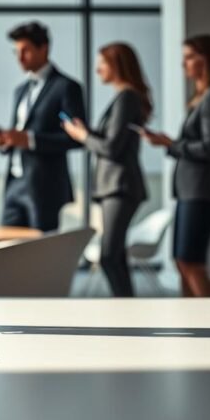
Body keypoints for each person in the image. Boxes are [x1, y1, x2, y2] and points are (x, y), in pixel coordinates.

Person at [140, 34, 210, 298]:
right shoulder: (202, 97)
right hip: (192, 191)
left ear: (208, 59)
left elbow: (209, 148)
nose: (185, 64)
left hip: (203, 192)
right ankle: (195, 322)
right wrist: (169, 143)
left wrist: (170, 143)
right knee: (183, 263)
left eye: (190, 57)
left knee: (192, 264)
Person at [62, 43, 152, 297]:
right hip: (115, 187)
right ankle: (126, 307)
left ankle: (126, 308)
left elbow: (112, 148)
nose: (97, 69)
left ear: (117, 65)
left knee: (109, 255)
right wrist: (88, 132)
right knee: (115, 254)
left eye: (102, 63)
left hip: (120, 186)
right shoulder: (124, 98)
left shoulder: (127, 97)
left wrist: (82, 136)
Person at [0, 21, 86, 232]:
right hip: (14, 184)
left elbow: (76, 138)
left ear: (44, 48)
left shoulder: (66, 87)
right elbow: (17, 132)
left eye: (25, 51)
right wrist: (4, 141)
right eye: (16, 52)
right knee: (5, 250)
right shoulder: (20, 90)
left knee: (40, 254)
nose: (19, 57)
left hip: (45, 188)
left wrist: (30, 140)